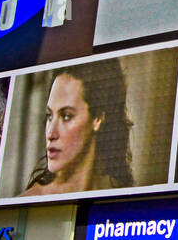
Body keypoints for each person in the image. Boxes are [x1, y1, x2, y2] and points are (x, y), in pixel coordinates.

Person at [22, 62, 133, 195]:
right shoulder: (31, 200)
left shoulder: (122, 197)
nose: (51, 134)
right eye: (49, 116)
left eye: (66, 116)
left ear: (97, 119)